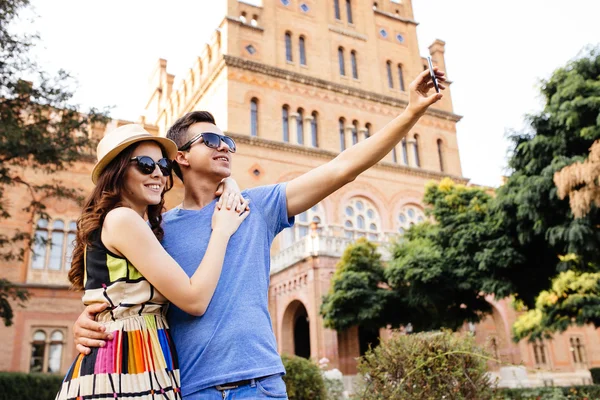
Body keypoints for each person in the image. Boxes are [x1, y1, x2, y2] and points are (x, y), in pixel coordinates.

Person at [72, 68, 447, 399]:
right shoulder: (156, 230)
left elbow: (342, 169)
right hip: (188, 387)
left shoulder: (258, 206)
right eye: (212, 141)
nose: (226, 148)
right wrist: (89, 321)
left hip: (260, 384)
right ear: (181, 158)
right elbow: (122, 292)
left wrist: (411, 111)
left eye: (229, 142)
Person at [56, 124, 249, 400]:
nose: (158, 172)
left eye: (162, 165)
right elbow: (194, 300)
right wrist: (222, 230)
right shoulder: (122, 219)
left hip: (143, 358)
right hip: (125, 364)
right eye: (146, 165)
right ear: (118, 172)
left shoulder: (136, 224)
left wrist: (229, 183)